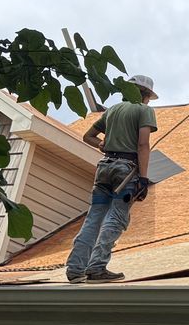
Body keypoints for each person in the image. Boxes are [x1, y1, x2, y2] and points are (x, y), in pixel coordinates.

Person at [64, 76, 157, 282]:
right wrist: (143, 178)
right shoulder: (144, 111)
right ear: (146, 95)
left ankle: (75, 268)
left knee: (94, 217)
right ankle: (97, 267)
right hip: (126, 170)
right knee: (117, 217)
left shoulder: (112, 110)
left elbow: (87, 136)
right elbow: (143, 145)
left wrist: (101, 145)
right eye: (149, 97)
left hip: (104, 168)